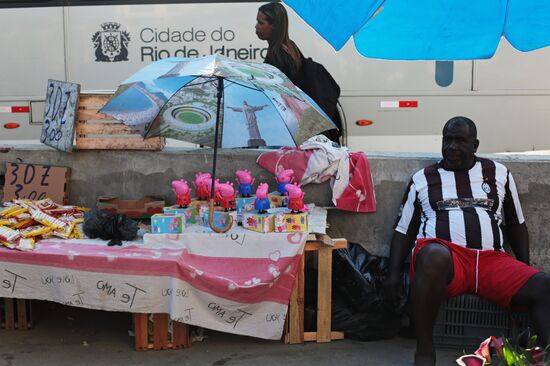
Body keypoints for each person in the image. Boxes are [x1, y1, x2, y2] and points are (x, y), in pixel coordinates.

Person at [383, 116, 550, 366]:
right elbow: (404, 230)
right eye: (447, 140)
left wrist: (525, 267)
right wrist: (393, 274)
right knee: (433, 255)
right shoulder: (423, 178)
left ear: (475, 145)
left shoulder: (498, 173)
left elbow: (516, 223)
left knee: (544, 286)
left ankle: (543, 354)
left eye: (460, 141)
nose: (452, 147)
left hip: (491, 261)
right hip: (447, 261)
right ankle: (425, 352)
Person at [255, 2, 341, 143]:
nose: (256, 26)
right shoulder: (290, 47)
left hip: (294, 125)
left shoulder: (277, 55)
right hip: (304, 122)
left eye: (260, 22)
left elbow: (278, 95)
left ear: (274, 25)